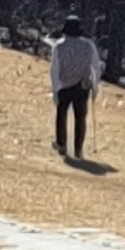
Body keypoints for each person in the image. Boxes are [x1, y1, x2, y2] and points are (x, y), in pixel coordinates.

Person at [48, 15, 101, 161]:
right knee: (80, 118)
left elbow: (55, 70)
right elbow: (95, 67)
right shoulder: (89, 46)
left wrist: (55, 90)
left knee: (61, 115)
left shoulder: (59, 47)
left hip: (64, 86)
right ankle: (78, 150)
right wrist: (95, 87)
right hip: (82, 86)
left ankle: (61, 144)